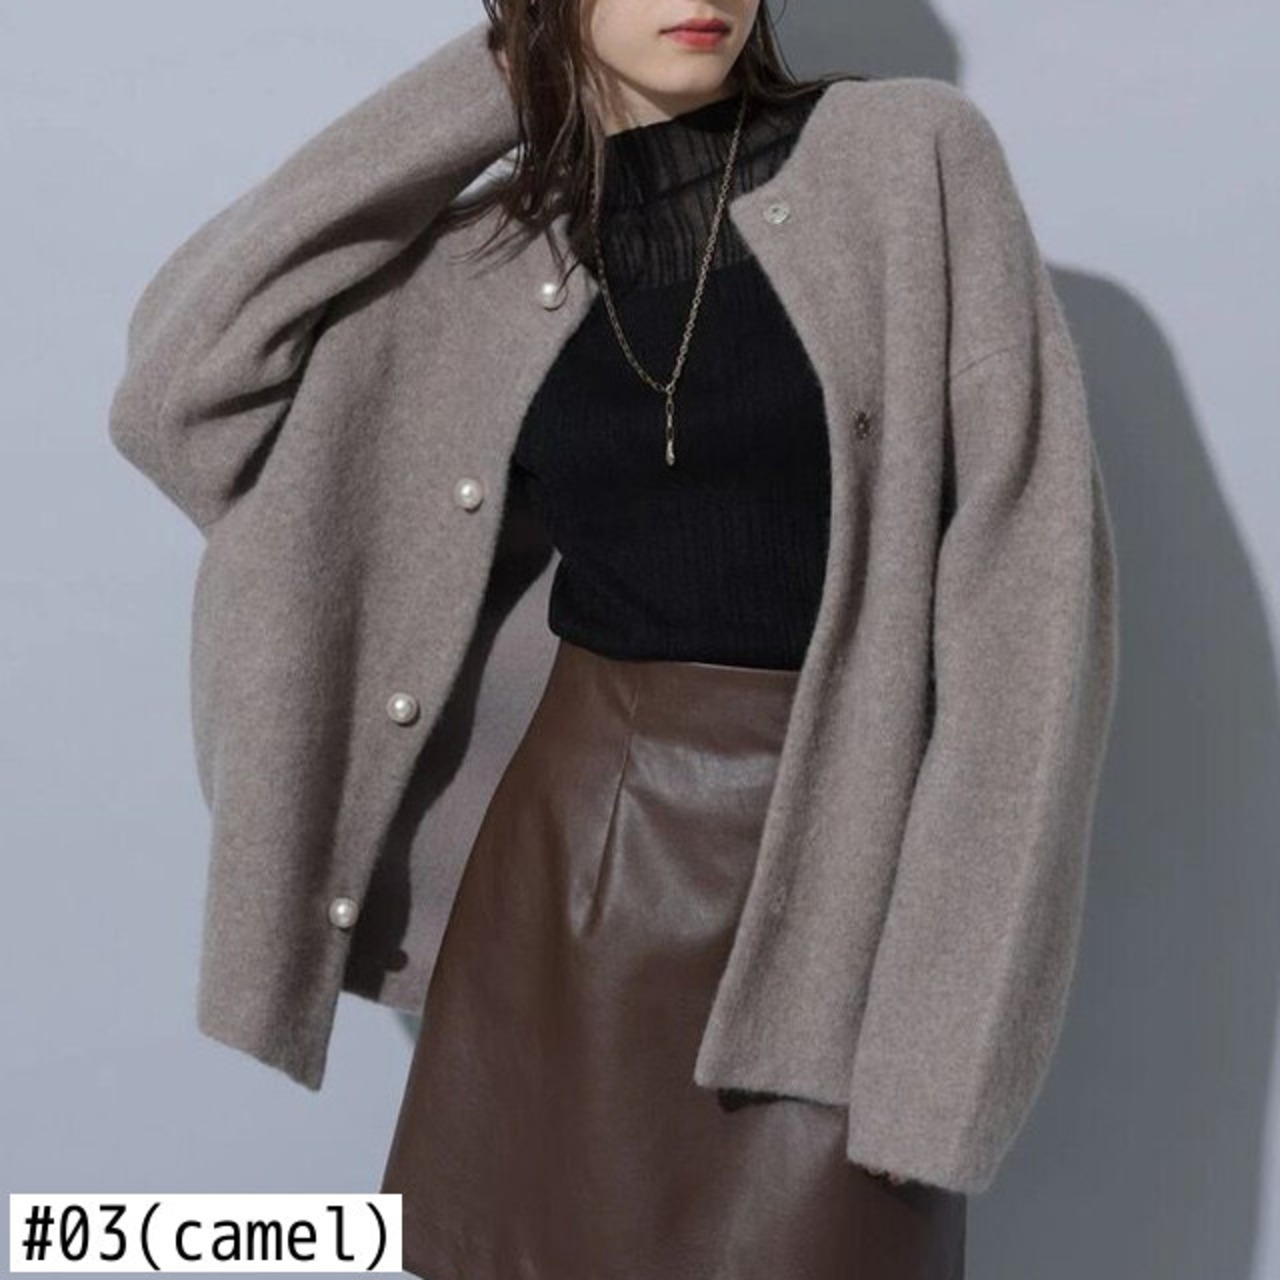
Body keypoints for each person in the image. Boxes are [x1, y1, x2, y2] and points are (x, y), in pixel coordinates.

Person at [107, 3, 1120, 1278]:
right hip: (564, 877)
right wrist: (506, 80)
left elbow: (1028, 607)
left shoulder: (906, 158)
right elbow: (178, 391)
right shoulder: (487, 256)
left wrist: (942, 1050)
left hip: (839, 873)